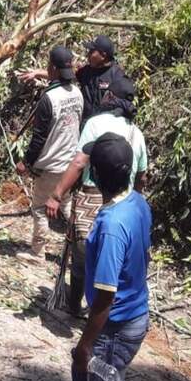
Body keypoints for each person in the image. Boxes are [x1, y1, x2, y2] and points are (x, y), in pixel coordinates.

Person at [46, 77, 148, 316]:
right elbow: (142, 177)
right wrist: (137, 205)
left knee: (81, 260)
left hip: (92, 197)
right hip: (123, 202)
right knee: (110, 260)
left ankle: (74, 306)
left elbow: (80, 161)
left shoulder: (95, 124)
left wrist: (57, 194)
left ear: (110, 97)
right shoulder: (137, 134)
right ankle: (101, 313)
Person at [71, 133, 152, 381]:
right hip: (134, 316)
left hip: (115, 328)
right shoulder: (138, 202)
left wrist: (85, 344)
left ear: (94, 173)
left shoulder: (111, 227)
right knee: (86, 376)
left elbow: (106, 297)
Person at [16, 46, 83, 261]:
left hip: (50, 164)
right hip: (71, 163)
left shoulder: (49, 98)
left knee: (38, 207)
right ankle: (79, 250)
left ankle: (37, 251)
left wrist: (26, 162)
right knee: (67, 206)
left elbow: (39, 138)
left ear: (52, 68)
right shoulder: (78, 93)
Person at [17, 34, 127, 123]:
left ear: (103, 55)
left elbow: (123, 108)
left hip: (103, 133)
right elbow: (61, 74)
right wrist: (37, 73)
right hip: (85, 129)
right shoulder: (87, 71)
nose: (88, 54)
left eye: (91, 52)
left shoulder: (117, 77)